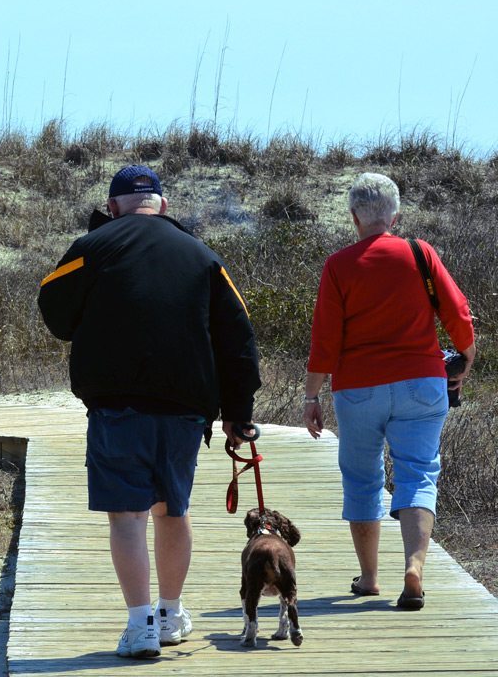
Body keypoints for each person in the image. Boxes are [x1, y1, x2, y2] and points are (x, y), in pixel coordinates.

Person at [39, 164, 261, 658]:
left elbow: (52, 308)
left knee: (127, 517)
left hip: (117, 406)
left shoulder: (92, 249)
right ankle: (171, 612)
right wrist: (238, 411)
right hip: (185, 410)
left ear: (114, 205)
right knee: (172, 511)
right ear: (163, 204)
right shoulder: (203, 256)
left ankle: (140, 625)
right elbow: (238, 338)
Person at [303, 172, 475, 610]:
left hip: (358, 388)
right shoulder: (420, 253)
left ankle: (370, 578)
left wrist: (311, 396)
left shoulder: (339, 265)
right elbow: (457, 312)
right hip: (422, 381)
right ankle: (414, 566)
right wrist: (467, 356)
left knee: (362, 478)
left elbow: (325, 340)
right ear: (394, 215)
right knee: (418, 473)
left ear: (353, 216)